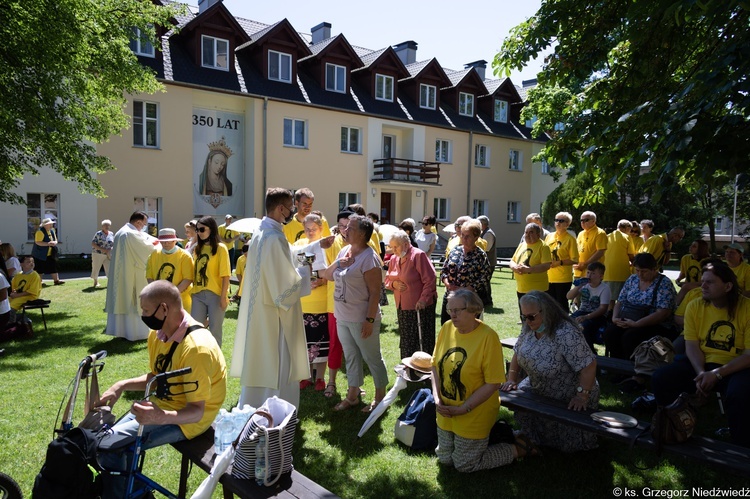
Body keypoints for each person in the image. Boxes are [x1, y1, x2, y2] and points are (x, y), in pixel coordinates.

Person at [95, 280, 226, 499]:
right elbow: (158, 377)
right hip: (166, 405)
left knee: (111, 448)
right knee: (107, 441)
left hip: (192, 419)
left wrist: (160, 416)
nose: (143, 316)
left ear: (164, 308)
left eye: (146, 310)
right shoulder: (158, 333)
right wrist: (121, 385)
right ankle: (131, 493)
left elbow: (197, 411)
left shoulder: (197, 349)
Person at [651, 262, 750, 448]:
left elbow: (748, 355)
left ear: (728, 286)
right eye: (702, 281)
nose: (702, 286)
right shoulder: (695, 306)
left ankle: (741, 448)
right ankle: (675, 425)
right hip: (702, 365)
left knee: (740, 393)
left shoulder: (747, 308)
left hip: (737, 367)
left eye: (709, 282)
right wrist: (701, 373)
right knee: (661, 378)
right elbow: (692, 345)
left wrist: (716, 374)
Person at [432, 290, 532, 471]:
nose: (452, 315)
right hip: (446, 409)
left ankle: (519, 447)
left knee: (464, 465)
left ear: (474, 310)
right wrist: (437, 398)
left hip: (474, 411)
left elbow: (493, 383)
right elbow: (434, 366)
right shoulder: (447, 328)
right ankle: (497, 436)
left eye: (458, 310)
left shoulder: (488, 337)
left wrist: (463, 408)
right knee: (445, 459)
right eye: (449, 309)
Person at [231, 188, 310, 410]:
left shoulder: (260, 232)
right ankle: (275, 409)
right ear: (280, 208)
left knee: (261, 358)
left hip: (259, 308)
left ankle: (254, 403)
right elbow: (285, 287)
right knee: (277, 359)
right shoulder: (274, 237)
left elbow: (278, 263)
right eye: (290, 209)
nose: (291, 213)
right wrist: (305, 271)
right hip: (274, 313)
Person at [501, 291, 599, 452]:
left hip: (568, 390)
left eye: (531, 316)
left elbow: (588, 365)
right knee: (519, 399)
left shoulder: (565, 332)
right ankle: (535, 439)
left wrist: (582, 396)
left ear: (546, 311)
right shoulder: (529, 327)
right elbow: (517, 353)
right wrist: (512, 378)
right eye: (524, 316)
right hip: (539, 385)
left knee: (568, 445)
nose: (527, 321)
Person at [320, 214, 388, 412]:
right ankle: (352, 396)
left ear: (362, 234)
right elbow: (327, 275)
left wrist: (369, 320)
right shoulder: (344, 251)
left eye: (350, 228)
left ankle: (379, 398)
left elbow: (375, 292)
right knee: (350, 356)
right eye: (345, 227)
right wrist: (339, 263)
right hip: (342, 316)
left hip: (361, 319)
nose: (345, 230)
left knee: (372, 357)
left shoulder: (370, 258)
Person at [603, 253, 678, 360]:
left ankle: (633, 368)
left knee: (630, 337)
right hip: (629, 318)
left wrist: (637, 324)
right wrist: (615, 318)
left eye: (644, 271)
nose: (640, 274)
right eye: (637, 270)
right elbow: (620, 301)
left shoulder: (664, 283)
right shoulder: (632, 279)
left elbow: (662, 313)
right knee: (610, 333)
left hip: (654, 324)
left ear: (654, 269)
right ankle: (618, 365)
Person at [105, 211, 159, 341]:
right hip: (132, 273)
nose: (144, 227)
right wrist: (157, 244)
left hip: (122, 272)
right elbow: (148, 250)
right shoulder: (131, 234)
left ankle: (121, 331)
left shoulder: (120, 232)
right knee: (133, 301)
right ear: (138, 222)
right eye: (144, 224)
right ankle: (135, 333)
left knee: (122, 300)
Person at [384, 230, 437, 358]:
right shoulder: (394, 259)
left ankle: (425, 370)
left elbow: (430, 279)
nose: (393, 250)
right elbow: (387, 279)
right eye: (391, 247)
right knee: (407, 340)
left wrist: (423, 299)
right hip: (402, 307)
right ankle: (408, 368)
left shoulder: (418, 256)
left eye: (396, 246)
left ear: (406, 244)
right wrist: (393, 285)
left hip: (419, 306)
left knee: (422, 341)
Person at [293, 214, 330, 392]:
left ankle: (320, 377)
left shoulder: (327, 245)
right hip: (303, 302)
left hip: (321, 301)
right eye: (307, 229)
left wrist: (322, 281)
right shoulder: (300, 245)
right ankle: (306, 376)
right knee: (304, 341)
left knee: (321, 340)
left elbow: (332, 271)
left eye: (313, 229)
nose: (310, 232)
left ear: (321, 228)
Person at [440, 219, 492, 324]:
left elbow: (485, 277)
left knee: (465, 327)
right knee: (447, 326)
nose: (464, 238)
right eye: (462, 235)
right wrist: (447, 283)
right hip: (450, 296)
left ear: (476, 237)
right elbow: (444, 270)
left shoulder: (480, 255)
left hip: (468, 300)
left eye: (467, 236)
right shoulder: (455, 250)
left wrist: (467, 288)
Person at [190, 216, 231, 346]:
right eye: (197, 230)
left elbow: (226, 276)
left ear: (211, 229)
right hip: (197, 295)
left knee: (215, 330)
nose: (199, 233)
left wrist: (223, 297)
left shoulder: (221, 248)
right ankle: (198, 358)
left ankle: (216, 362)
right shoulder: (197, 249)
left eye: (202, 229)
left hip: (216, 295)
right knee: (195, 330)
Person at [147, 228, 194, 313]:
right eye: (163, 241)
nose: (166, 243)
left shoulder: (185, 256)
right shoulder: (154, 254)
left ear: (175, 241)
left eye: (169, 241)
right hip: (159, 300)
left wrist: (172, 294)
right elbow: (149, 276)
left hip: (181, 300)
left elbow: (188, 279)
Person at [567, 262, 610, 352]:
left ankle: (590, 352)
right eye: (588, 272)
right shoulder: (584, 285)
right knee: (566, 323)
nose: (589, 275)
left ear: (601, 276)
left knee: (583, 327)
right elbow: (569, 296)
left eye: (593, 273)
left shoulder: (605, 288)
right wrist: (578, 286)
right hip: (582, 311)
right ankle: (572, 350)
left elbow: (603, 309)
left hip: (598, 316)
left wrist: (587, 317)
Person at [510, 223, 552, 307]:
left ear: (538, 234)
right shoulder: (522, 245)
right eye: (526, 232)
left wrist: (529, 269)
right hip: (521, 288)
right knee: (524, 313)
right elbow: (512, 260)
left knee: (537, 314)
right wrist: (514, 267)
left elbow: (546, 265)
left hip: (537, 289)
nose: (528, 235)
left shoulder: (543, 247)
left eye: (531, 232)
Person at [544, 211, 579, 311]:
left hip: (562, 278)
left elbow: (575, 259)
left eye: (561, 221)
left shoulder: (570, 239)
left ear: (567, 224)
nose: (558, 223)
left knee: (561, 304)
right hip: (548, 276)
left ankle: (565, 325)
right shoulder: (549, 236)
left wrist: (560, 262)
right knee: (549, 304)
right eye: (556, 220)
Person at [603, 220, 636, 310]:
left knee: (609, 299)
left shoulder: (607, 237)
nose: (631, 232)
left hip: (607, 273)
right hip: (621, 273)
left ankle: (607, 315)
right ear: (626, 228)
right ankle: (614, 316)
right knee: (621, 299)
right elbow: (631, 255)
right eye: (630, 229)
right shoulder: (627, 237)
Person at [573, 211, 607, 279]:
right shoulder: (580, 234)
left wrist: (585, 264)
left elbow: (600, 252)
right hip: (579, 271)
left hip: (593, 272)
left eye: (586, 220)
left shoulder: (600, 233)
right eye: (581, 220)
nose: (582, 222)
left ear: (593, 221)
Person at [31, 217, 64, 285]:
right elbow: (38, 242)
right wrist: (48, 244)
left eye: (51, 224)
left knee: (53, 267)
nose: (51, 225)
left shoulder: (52, 230)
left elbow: (55, 239)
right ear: (45, 225)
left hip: (50, 253)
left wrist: (55, 242)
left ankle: (56, 280)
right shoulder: (40, 231)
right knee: (39, 268)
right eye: (49, 224)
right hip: (39, 254)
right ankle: (40, 282)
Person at [477, 215, 497, 306]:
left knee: (486, 282)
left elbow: (486, 248)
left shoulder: (488, 233)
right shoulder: (484, 232)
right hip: (486, 262)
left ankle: (488, 301)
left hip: (489, 262)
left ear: (483, 224)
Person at [90, 219, 114, 288]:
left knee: (109, 268)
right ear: (102, 226)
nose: (107, 226)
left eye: (108, 225)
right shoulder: (98, 233)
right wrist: (102, 249)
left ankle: (110, 283)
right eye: (105, 225)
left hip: (108, 254)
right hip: (98, 254)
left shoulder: (111, 234)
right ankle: (95, 282)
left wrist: (110, 250)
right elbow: (93, 243)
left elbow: (113, 244)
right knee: (96, 267)